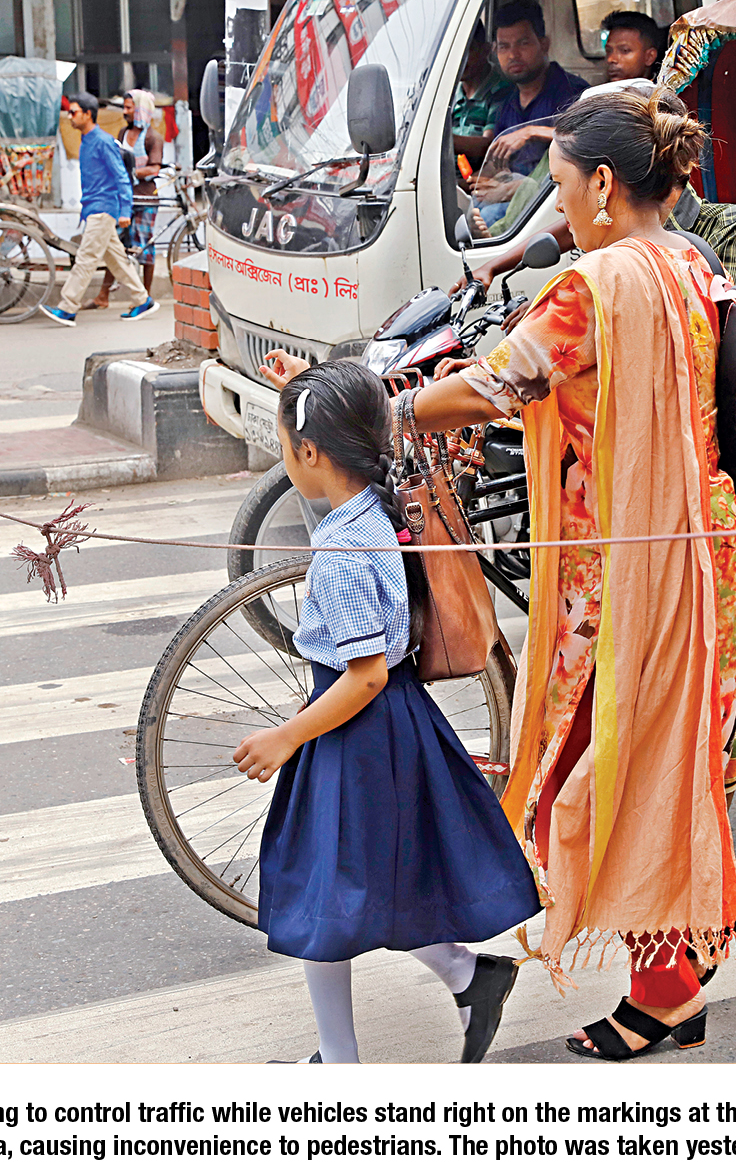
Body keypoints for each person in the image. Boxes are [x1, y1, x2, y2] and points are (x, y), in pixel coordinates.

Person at [266, 89, 736, 1060]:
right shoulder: (691, 262)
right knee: (667, 759)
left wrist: (379, 413)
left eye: (562, 184)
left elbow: (497, 382)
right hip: (710, 554)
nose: (559, 205)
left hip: (627, 571)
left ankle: (668, 987)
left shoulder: (595, 283)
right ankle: (694, 927)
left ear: (604, 183)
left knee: (599, 771)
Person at [236, 357, 541, 1064]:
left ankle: (347, 1055)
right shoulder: (378, 508)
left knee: (324, 891)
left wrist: (286, 737)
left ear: (310, 453)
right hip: (390, 724)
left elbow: (365, 675)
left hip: (355, 730)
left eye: (286, 445)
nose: (286, 458)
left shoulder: (342, 552)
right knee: (358, 884)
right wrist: (310, 390)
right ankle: (462, 977)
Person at [455, 84, 736, 322]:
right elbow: (565, 229)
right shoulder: (615, 223)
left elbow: (707, 326)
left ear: (606, 177)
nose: (561, 204)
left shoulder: (730, 226)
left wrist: (561, 317)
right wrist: (494, 268)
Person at [39, 93, 156, 327]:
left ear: (88, 114)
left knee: (86, 258)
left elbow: (121, 177)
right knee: (116, 260)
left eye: (74, 112)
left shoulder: (102, 141)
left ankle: (67, 307)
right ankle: (143, 300)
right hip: (95, 207)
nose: (70, 117)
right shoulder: (86, 140)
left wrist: (125, 210)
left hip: (104, 209)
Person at [487, 0, 588, 178]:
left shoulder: (573, 92)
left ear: (544, 45)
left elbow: (586, 139)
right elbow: (497, 162)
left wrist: (531, 132)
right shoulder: (506, 103)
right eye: (504, 47)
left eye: (523, 43)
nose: (513, 55)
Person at [93, 89, 163, 308]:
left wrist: (129, 173)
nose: (125, 112)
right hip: (124, 197)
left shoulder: (152, 137)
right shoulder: (123, 132)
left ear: (140, 110)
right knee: (115, 245)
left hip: (145, 198)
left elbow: (154, 168)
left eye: (129, 108)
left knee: (144, 247)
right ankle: (103, 295)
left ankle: (146, 296)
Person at [451, 21, 510, 171]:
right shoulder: (449, 92)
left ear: (485, 50)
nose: (460, 58)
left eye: (468, 49)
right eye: (454, 51)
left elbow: (489, 145)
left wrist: (444, 141)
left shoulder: (502, 90)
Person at [600, 10, 664, 83]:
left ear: (649, 57)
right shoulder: (601, 89)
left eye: (625, 51)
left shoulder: (664, 89)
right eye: (608, 51)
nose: (610, 59)